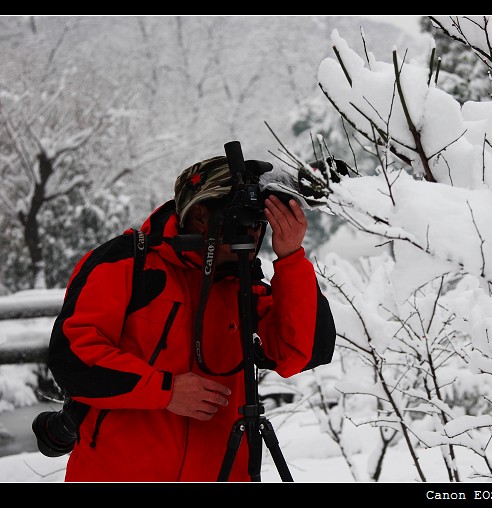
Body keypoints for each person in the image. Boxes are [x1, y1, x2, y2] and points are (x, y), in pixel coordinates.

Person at [43, 155, 336, 481]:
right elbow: (73, 355)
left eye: (259, 222)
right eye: (244, 219)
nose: (254, 233)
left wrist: (292, 259)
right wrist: (165, 390)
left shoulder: (244, 287)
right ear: (199, 216)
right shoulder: (129, 262)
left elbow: (302, 353)